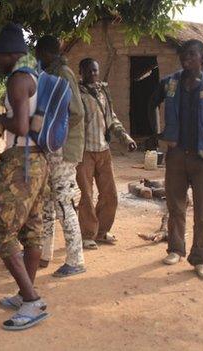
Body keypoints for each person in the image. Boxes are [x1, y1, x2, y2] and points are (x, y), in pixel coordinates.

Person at [0, 23, 50, 331]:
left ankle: (31, 301)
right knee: (32, 231)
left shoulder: (17, 80)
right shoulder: (36, 74)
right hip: (38, 161)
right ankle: (26, 294)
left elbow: (20, 127)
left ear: (9, 54)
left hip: (21, 164)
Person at [148, 39, 203, 280]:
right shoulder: (170, 82)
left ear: (201, 58)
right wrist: (157, 133)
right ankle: (175, 249)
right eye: (184, 55)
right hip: (176, 156)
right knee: (175, 206)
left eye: (192, 55)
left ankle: (202, 259)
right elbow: (151, 102)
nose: (187, 58)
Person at [34, 35, 86, 277]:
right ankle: (45, 254)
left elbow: (76, 112)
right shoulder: (51, 74)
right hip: (54, 149)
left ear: (45, 53)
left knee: (64, 202)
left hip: (64, 150)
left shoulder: (63, 74)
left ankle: (76, 259)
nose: (36, 59)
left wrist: (55, 132)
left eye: (38, 54)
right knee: (47, 201)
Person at [77, 58, 137, 250]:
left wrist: (125, 138)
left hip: (103, 149)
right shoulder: (77, 93)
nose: (93, 75)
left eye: (95, 71)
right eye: (88, 72)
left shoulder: (103, 92)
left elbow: (112, 119)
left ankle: (101, 232)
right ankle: (87, 235)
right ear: (81, 73)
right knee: (86, 195)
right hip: (84, 151)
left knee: (109, 193)